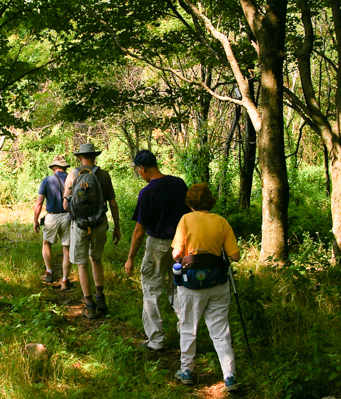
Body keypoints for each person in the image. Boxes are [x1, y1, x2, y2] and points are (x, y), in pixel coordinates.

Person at [171, 183, 241, 392]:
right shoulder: (221, 222)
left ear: (190, 202)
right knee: (220, 330)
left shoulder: (185, 220)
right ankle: (229, 376)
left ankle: (187, 371)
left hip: (191, 285)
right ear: (210, 200)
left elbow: (176, 254)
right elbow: (235, 256)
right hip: (217, 283)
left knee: (188, 327)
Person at [124, 150, 190, 351]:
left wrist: (130, 258)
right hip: (181, 245)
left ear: (143, 168)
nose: (139, 174)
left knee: (152, 291)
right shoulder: (179, 184)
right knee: (179, 289)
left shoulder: (147, 193)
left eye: (138, 170)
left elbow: (139, 229)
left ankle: (156, 340)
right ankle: (186, 337)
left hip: (157, 246)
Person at [63, 143, 121, 319]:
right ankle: (100, 298)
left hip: (80, 225)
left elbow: (65, 205)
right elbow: (112, 203)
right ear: (94, 156)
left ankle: (89, 305)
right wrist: (117, 227)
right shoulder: (103, 175)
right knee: (96, 259)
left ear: (79, 157)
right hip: (99, 223)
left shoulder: (72, 175)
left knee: (81, 263)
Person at [33, 155, 73, 290]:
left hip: (52, 217)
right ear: (65, 167)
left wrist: (35, 220)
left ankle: (49, 273)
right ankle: (65, 279)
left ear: (54, 168)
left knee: (46, 243)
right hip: (69, 217)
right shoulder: (72, 178)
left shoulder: (47, 180)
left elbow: (39, 203)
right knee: (66, 248)